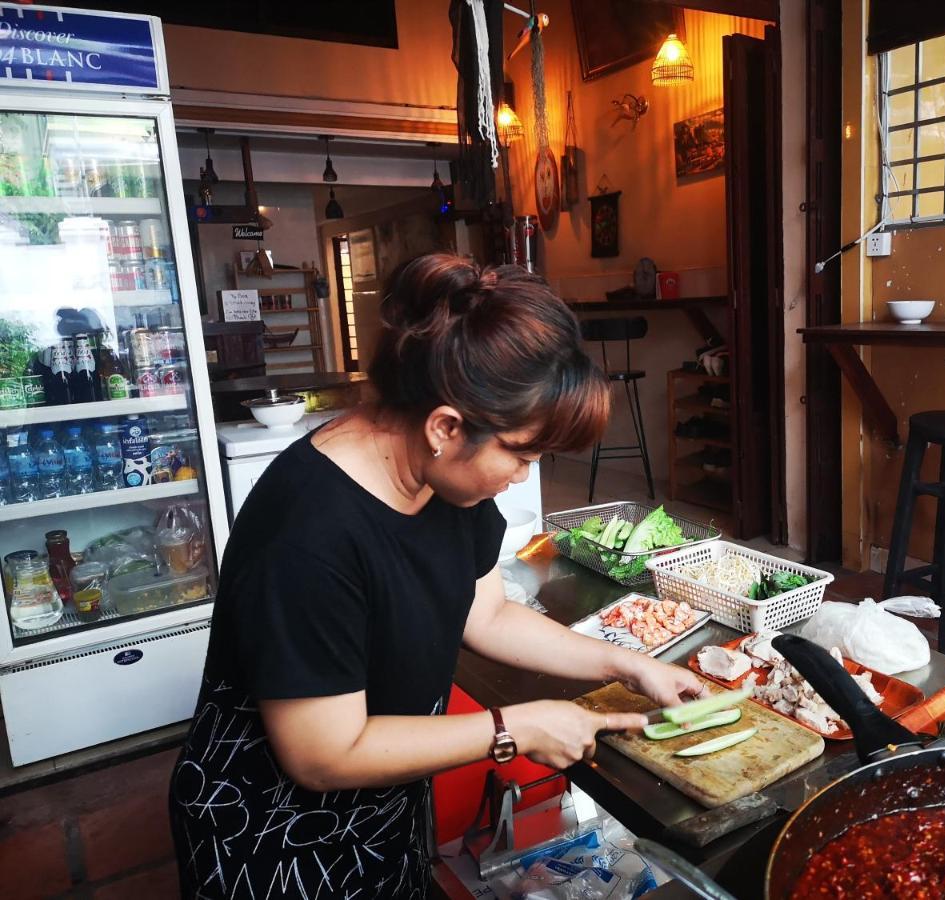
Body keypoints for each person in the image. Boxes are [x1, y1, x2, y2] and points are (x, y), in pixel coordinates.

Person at [168, 254, 704, 899]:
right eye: (522, 454)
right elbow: (320, 754)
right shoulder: (310, 532)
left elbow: (488, 614)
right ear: (445, 427)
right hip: (271, 832)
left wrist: (628, 665)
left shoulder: (445, 484)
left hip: (380, 799)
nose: (522, 477)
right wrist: (516, 727)